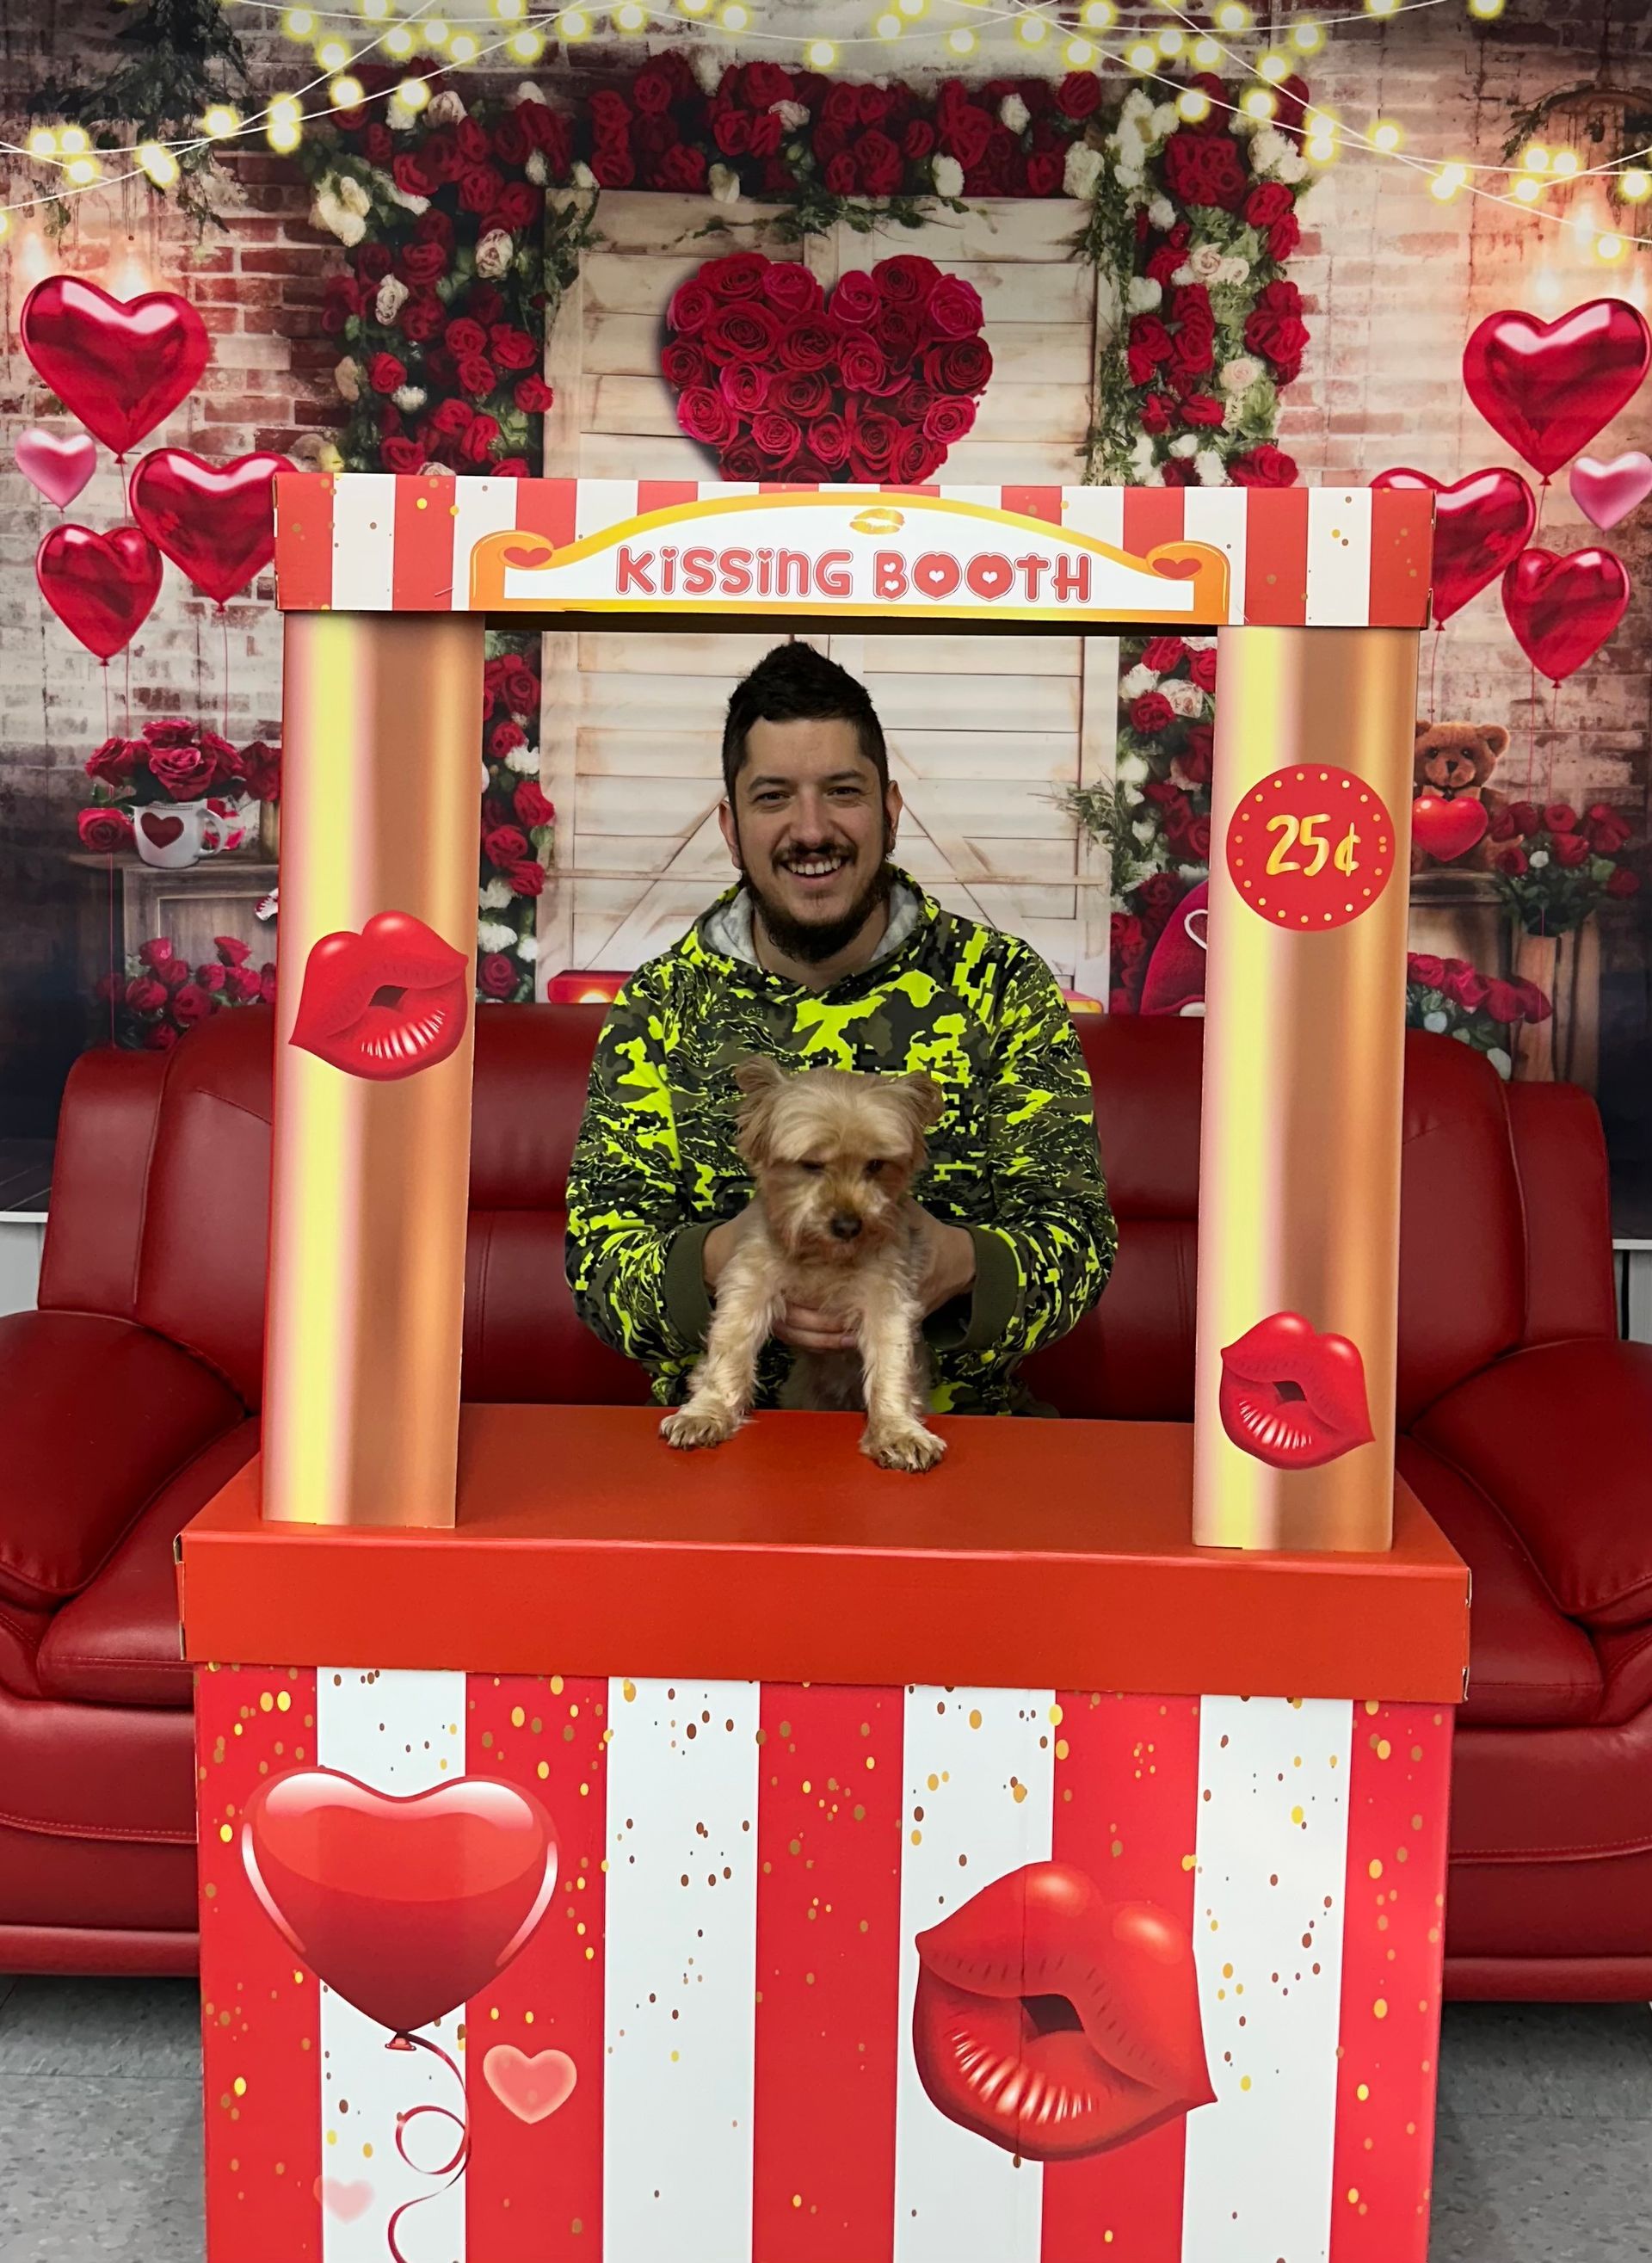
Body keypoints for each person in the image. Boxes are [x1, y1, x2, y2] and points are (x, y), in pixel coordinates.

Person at [564, 640, 1115, 1415]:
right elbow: (597, 1272)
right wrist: (722, 1259)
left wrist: (956, 1263)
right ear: (730, 826)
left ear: (890, 811)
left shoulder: (998, 987)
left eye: (843, 791)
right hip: (728, 1442)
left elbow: (1081, 1246)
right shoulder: (662, 1007)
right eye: (773, 796)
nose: (812, 828)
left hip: (962, 1437)